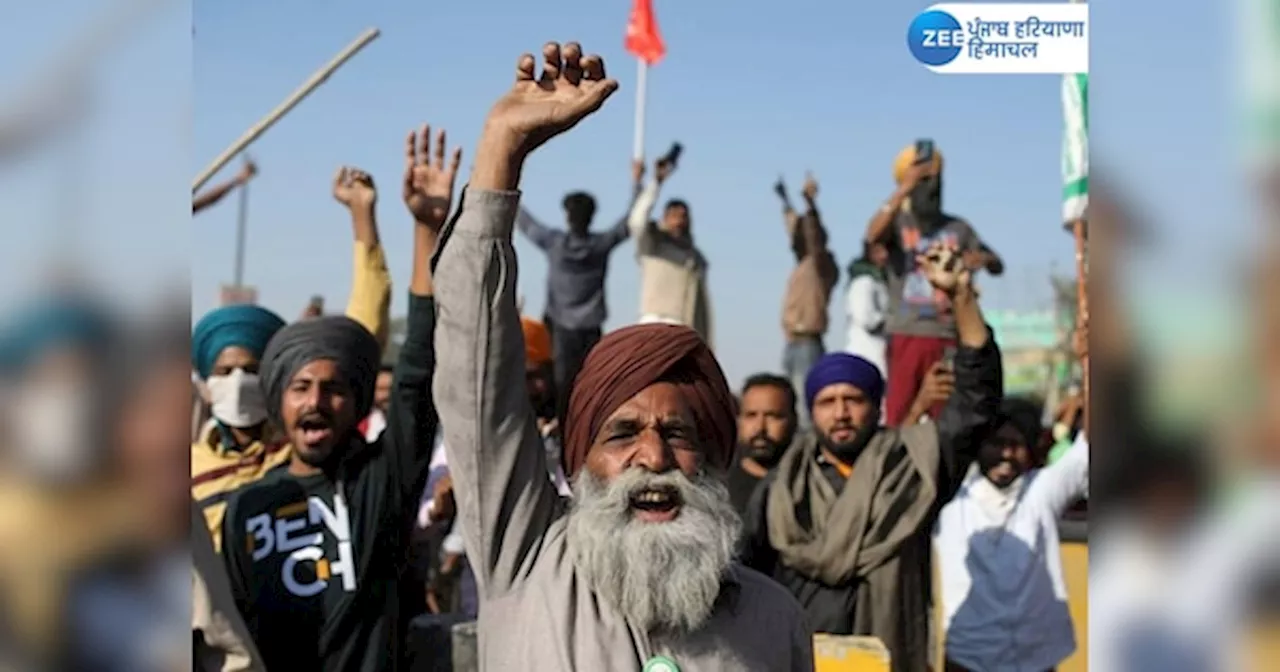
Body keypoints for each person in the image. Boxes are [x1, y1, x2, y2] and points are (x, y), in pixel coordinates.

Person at [432, 41, 812, 671]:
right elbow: (477, 379)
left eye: (679, 433)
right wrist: (501, 149)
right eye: (623, 433)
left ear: (714, 455)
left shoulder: (773, 620)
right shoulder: (529, 559)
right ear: (581, 460)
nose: (654, 458)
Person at [220, 124, 459, 671]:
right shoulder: (246, 509)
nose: (316, 401)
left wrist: (426, 229)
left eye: (332, 389)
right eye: (301, 387)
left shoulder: (381, 479)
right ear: (279, 401)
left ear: (354, 405)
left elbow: (417, 372)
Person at [741, 241, 1002, 672]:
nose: (841, 412)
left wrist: (960, 297)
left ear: (877, 405)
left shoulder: (916, 465)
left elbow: (977, 401)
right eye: (828, 402)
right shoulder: (782, 487)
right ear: (812, 411)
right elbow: (746, 581)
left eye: (854, 399)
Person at [192, 163, 392, 551]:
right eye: (225, 371)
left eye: (251, 370)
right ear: (206, 381)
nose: (237, 382)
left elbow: (361, 334)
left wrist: (361, 217)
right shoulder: (187, 470)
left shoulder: (304, 448)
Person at [932, 400, 1088, 672]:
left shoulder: (1041, 491)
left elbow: (1089, 448)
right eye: (996, 443)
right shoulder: (951, 500)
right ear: (978, 447)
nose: (1006, 453)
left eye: (1015, 445)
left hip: (1034, 657)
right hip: (969, 658)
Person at [865, 142, 1003, 426]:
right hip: (907, 333)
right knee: (901, 413)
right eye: (924, 181)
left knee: (949, 416)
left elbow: (996, 263)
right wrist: (904, 188)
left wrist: (983, 259)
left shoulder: (959, 228)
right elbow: (872, 234)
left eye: (936, 181)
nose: (931, 188)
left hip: (948, 334)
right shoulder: (898, 222)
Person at [515, 161, 644, 404]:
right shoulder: (599, 245)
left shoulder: (555, 243)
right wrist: (637, 183)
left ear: (568, 217)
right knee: (590, 385)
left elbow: (524, 223)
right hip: (590, 326)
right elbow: (630, 223)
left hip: (561, 328)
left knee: (563, 387)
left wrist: (505, 185)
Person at [628, 153, 714, 347]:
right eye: (674, 216)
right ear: (664, 218)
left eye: (684, 216)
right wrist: (656, 182)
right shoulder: (653, 244)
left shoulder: (696, 258)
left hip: (687, 328)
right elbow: (637, 220)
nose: (679, 221)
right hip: (656, 323)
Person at [777, 173, 838, 431]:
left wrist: (810, 205)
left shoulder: (820, 265)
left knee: (805, 412)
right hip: (792, 344)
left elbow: (812, 236)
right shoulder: (802, 266)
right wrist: (785, 201)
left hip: (807, 344)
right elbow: (794, 225)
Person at [730, 373, 798, 515]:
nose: (760, 428)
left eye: (773, 416)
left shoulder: (811, 485)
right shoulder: (720, 490)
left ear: (794, 421)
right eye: (751, 415)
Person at [844, 240, 890, 380]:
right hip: (867, 354)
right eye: (879, 251)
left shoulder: (881, 281)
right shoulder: (864, 282)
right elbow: (866, 318)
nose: (884, 256)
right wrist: (895, 319)